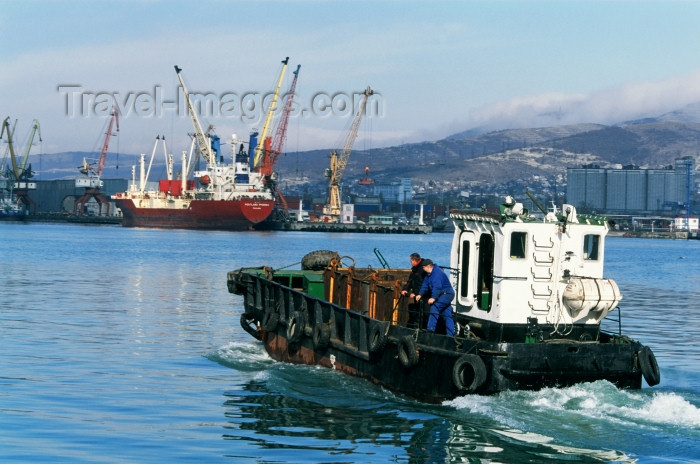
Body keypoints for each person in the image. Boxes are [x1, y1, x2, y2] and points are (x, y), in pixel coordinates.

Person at [415, 258, 455, 336]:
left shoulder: (437, 273)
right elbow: (425, 285)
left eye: (423, 267)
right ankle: (450, 335)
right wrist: (420, 294)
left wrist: (433, 297)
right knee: (447, 313)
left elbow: (437, 287)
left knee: (435, 307)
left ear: (428, 266)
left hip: (446, 294)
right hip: (442, 295)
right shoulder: (429, 275)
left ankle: (430, 330)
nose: (422, 269)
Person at [401, 253, 426, 328]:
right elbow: (411, 280)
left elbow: (421, 283)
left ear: (414, 260)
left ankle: (419, 327)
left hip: (422, 295)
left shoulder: (422, 269)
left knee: (420, 312)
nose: (410, 263)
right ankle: (414, 326)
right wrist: (405, 289)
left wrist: (415, 293)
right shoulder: (415, 269)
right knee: (415, 311)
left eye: (411, 261)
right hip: (416, 294)